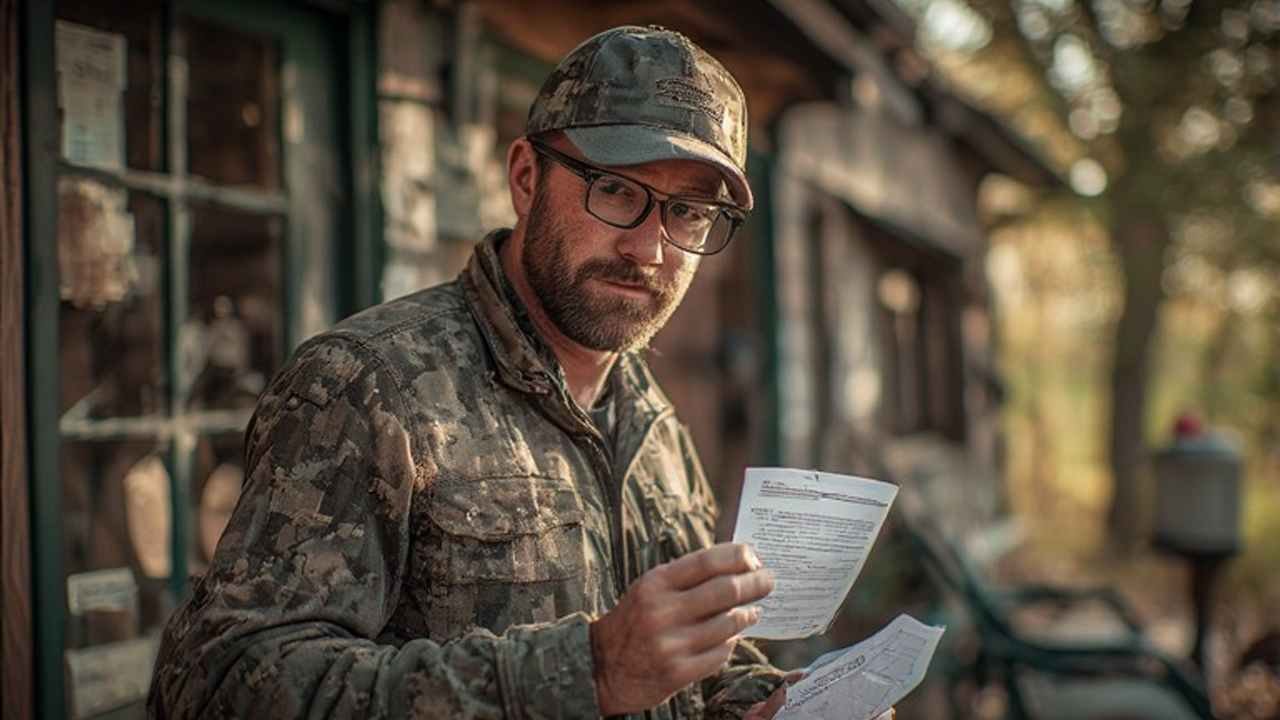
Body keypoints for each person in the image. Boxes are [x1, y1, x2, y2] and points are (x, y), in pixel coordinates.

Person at [150, 25, 886, 720]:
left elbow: (678, 667)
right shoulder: (369, 384)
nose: (651, 250)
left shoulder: (649, 416)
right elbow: (220, 684)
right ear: (527, 177)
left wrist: (767, 700)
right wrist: (585, 673)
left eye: (689, 213)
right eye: (618, 191)